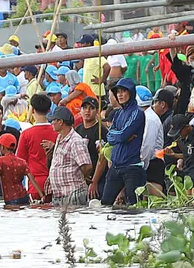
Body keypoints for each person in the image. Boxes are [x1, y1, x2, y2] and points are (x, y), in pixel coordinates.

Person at [102, 78, 146, 206]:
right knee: (105, 203)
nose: (120, 95)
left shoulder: (137, 113)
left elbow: (122, 135)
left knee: (134, 205)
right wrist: (120, 135)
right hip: (116, 166)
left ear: (131, 93)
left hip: (132, 167)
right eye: (118, 92)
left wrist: (119, 135)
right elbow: (110, 136)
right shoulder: (118, 113)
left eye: (123, 91)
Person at [46, 107, 93, 206]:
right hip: (61, 194)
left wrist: (79, 177)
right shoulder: (59, 137)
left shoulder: (75, 141)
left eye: (53, 120)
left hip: (73, 193)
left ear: (60, 122)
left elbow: (87, 166)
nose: (51, 123)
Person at [15, 93, 58, 199]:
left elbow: (20, 162)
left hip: (34, 184)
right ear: (49, 110)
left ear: (32, 109)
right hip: (56, 183)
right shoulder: (58, 132)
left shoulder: (26, 134)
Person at [163, 113, 194, 196]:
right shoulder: (183, 139)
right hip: (188, 175)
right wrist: (174, 155)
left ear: (187, 127)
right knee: (189, 205)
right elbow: (188, 155)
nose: (179, 135)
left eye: (180, 131)